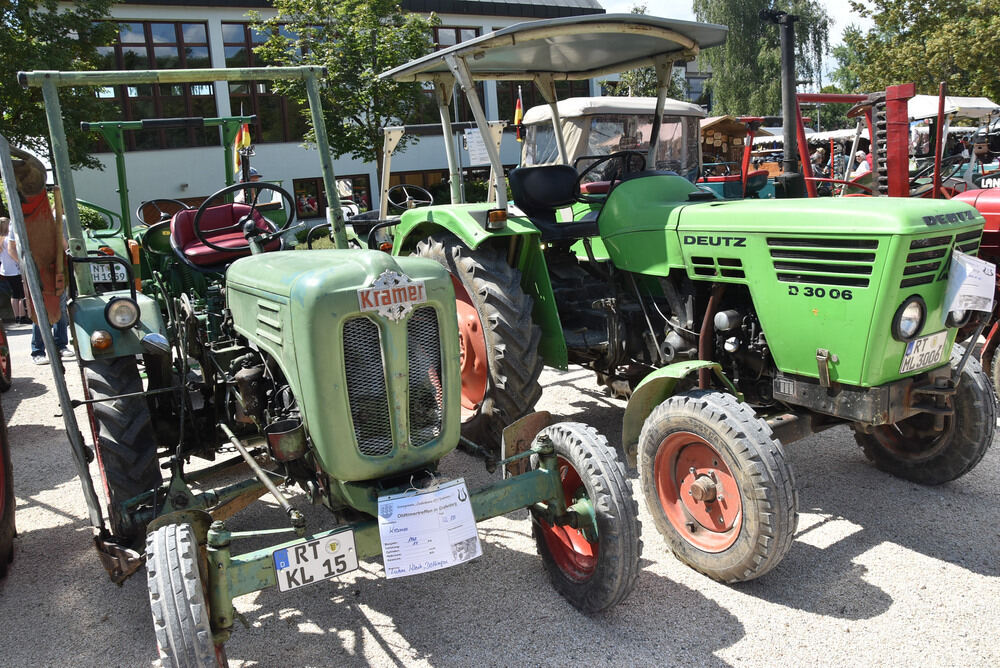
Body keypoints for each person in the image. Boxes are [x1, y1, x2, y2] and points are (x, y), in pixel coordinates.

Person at [7, 222, 72, 364]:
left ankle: (61, 345)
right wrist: (27, 266)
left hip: (55, 270)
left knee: (60, 308)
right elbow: (11, 248)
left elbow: (64, 245)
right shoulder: (17, 223)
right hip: (35, 272)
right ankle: (38, 351)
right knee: (39, 311)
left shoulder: (51, 219)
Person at [0, 217, 28, 324]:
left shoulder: (1, 240)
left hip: (5, 270)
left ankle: (16, 316)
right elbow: (13, 252)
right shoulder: (9, 240)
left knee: (14, 293)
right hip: (15, 269)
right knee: (22, 293)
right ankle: (22, 316)